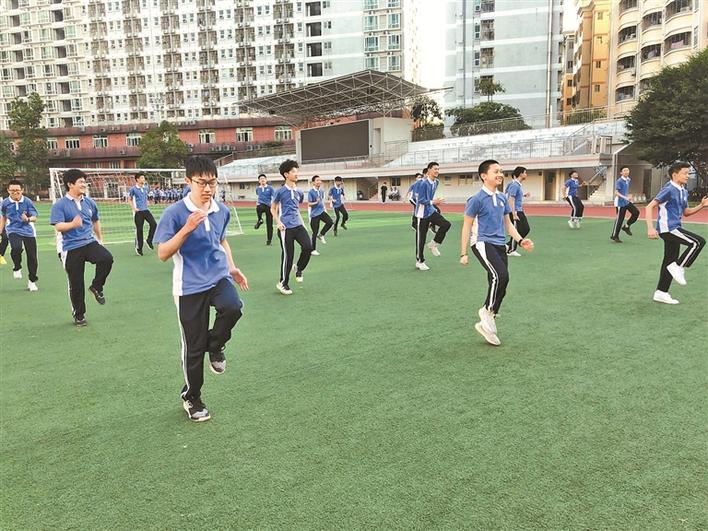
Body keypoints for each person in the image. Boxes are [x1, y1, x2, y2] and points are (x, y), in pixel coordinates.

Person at [154, 156, 248, 422]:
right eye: (202, 183)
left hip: (218, 277)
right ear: (188, 181)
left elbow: (222, 241)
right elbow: (163, 253)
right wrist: (187, 228)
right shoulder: (174, 213)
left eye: (212, 183)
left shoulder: (221, 210)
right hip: (189, 286)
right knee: (193, 349)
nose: (208, 188)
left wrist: (232, 267)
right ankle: (192, 397)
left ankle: (215, 345)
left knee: (233, 307)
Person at [460, 159, 534, 346]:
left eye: (501, 171)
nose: (500, 174)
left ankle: (487, 320)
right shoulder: (476, 200)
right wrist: (463, 253)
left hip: (500, 244)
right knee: (500, 275)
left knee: (503, 281)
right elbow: (466, 226)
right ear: (484, 176)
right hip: (482, 243)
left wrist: (520, 240)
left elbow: (508, 224)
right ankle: (487, 311)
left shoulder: (502, 198)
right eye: (496, 171)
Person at [50, 169, 114, 327]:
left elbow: (95, 220)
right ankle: (79, 315)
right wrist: (72, 224)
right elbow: (58, 226)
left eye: (84, 182)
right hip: (70, 246)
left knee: (107, 258)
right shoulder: (60, 205)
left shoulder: (90, 202)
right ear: (70, 184)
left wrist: (100, 239)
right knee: (76, 283)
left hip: (89, 242)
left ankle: (97, 287)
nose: (84, 184)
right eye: (80, 182)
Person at [645, 161, 707, 305]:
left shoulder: (683, 191)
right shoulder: (669, 189)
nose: (687, 176)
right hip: (668, 229)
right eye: (685, 173)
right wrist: (650, 228)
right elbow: (649, 207)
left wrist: (701, 205)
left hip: (675, 228)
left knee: (669, 260)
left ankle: (661, 292)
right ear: (675, 175)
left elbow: (686, 212)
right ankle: (678, 266)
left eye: (688, 173)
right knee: (698, 242)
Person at [272, 159, 313, 295]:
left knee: (308, 247)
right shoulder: (280, 191)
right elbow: (273, 208)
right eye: (293, 171)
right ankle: (283, 283)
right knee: (288, 256)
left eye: (297, 171)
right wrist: (278, 222)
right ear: (286, 174)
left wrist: (303, 224)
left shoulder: (299, 192)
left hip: (298, 225)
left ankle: (299, 268)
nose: (296, 174)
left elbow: (296, 208)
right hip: (285, 228)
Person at [411, 161, 451, 270]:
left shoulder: (436, 182)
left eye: (438, 169)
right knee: (421, 239)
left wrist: (434, 202)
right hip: (421, 214)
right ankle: (420, 261)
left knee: (446, 224)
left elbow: (429, 198)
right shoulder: (423, 183)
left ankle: (434, 244)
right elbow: (421, 200)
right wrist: (434, 202)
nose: (437, 171)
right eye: (435, 169)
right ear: (429, 170)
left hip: (430, 211)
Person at [0, 179, 39, 291]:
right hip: (13, 229)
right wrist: (0, 231)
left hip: (28, 231)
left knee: (32, 257)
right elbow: (3, 217)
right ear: (8, 190)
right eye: (12, 190)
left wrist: (28, 219)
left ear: (22, 190)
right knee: (16, 248)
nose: (15, 192)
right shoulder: (5, 203)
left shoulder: (27, 201)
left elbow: (35, 217)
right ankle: (17, 266)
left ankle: (32, 281)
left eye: (17, 190)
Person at [129, 172, 157, 256]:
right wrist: (134, 208)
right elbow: (129, 199)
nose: (143, 179)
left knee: (154, 224)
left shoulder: (146, 188)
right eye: (142, 178)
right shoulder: (133, 189)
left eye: (144, 178)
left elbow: (145, 197)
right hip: (138, 212)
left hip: (146, 210)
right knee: (139, 230)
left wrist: (148, 202)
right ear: (137, 179)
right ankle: (139, 248)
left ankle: (149, 240)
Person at [505, 166, 531, 257]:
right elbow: (510, 199)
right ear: (520, 174)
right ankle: (511, 250)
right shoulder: (514, 185)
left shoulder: (517, 185)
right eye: (525, 172)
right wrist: (513, 214)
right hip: (515, 211)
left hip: (519, 210)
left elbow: (514, 196)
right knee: (517, 230)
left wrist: (524, 195)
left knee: (526, 229)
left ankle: (508, 245)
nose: (526, 174)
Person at [610, 165, 640, 243]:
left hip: (626, 202)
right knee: (620, 219)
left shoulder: (628, 179)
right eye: (624, 170)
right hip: (620, 203)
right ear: (621, 173)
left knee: (636, 212)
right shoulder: (619, 181)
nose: (626, 172)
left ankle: (626, 226)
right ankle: (614, 235)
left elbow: (625, 190)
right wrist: (625, 197)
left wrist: (629, 196)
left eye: (627, 170)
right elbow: (616, 192)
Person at [307, 175, 334, 256]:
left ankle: (321, 234)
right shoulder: (311, 192)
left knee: (330, 222)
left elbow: (322, 202)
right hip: (314, 214)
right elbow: (309, 204)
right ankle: (313, 250)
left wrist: (325, 210)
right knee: (314, 232)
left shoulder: (322, 191)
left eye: (320, 180)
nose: (319, 182)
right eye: (317, 180)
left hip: (321, 212)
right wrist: (316, 202)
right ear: (313, 182)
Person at [254, 173, 275, 245]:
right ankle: (260, 220)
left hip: (269, 206)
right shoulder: (257, 189)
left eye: (264, 178)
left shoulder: (270, 188)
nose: (262, 180)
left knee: (269, 224)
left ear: (266, 180)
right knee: (258, 206)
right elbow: (258, 195)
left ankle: (269, 240)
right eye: (261, 179)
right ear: (259, 181)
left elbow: (274, 196)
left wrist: (273, 205)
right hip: (261, 205)